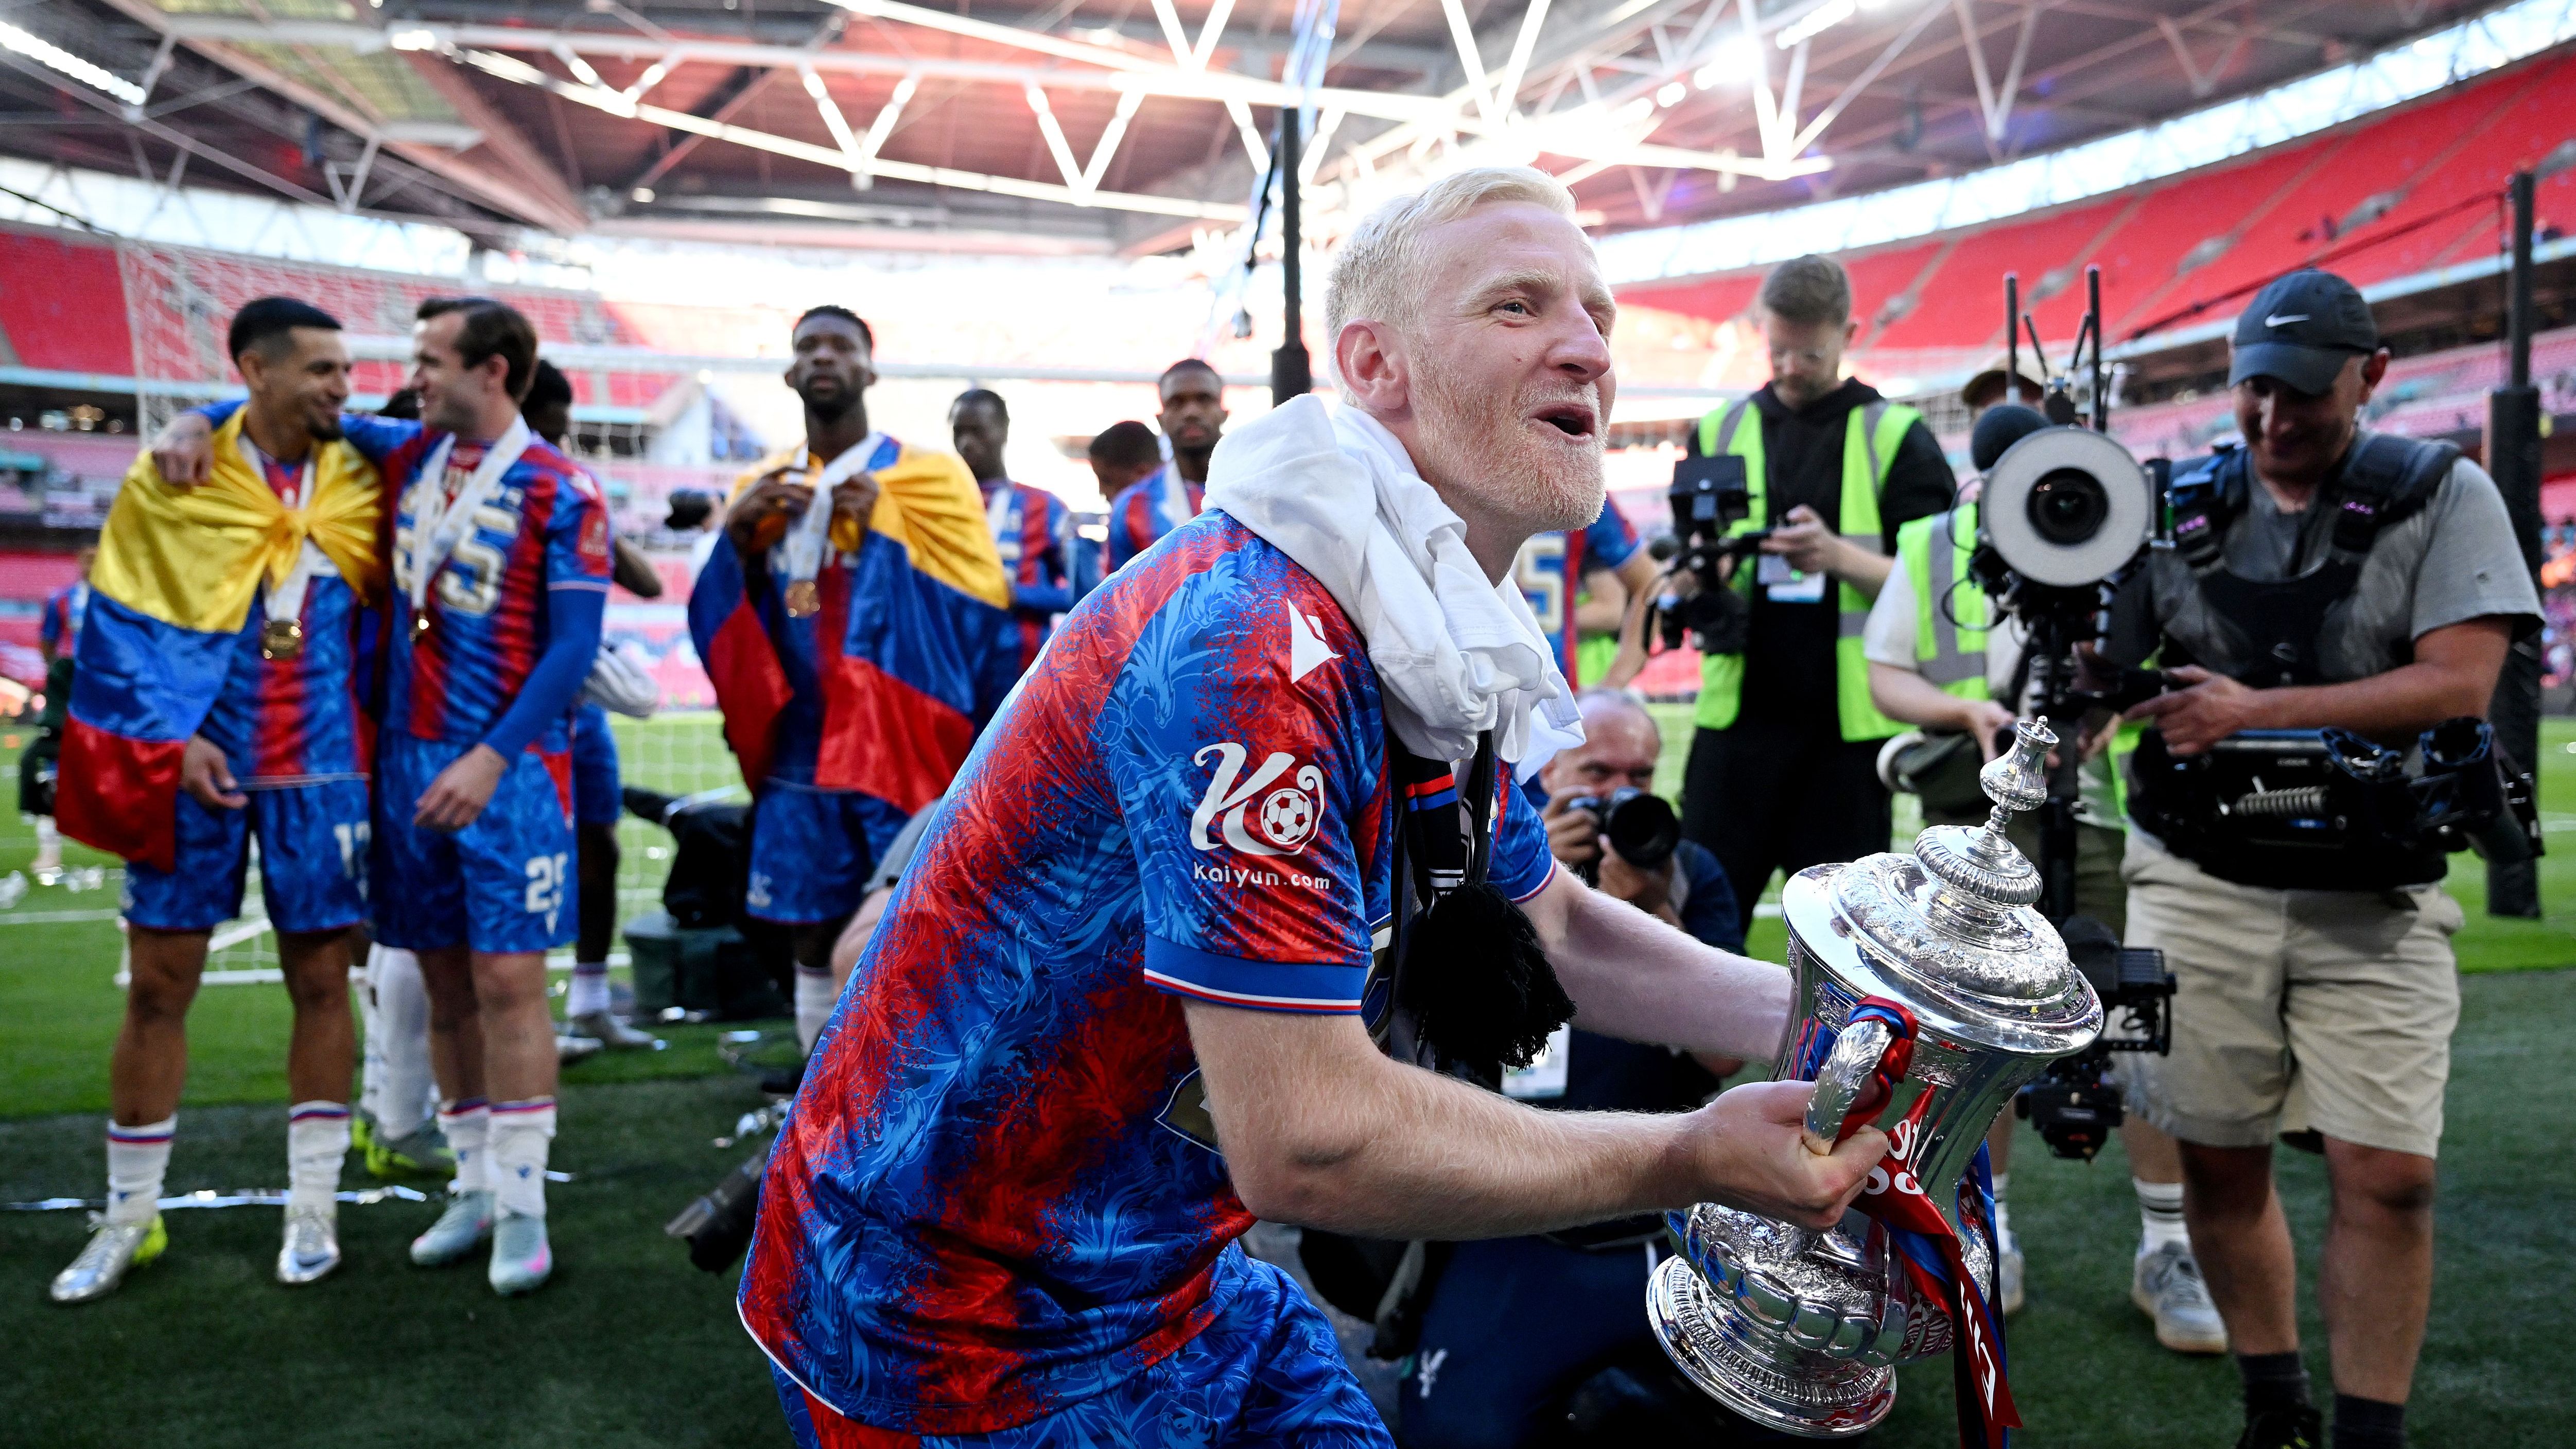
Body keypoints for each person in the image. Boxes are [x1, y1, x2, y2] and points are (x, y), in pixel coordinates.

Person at [739, 165, 1882, 1448]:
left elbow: (1556, 924)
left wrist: (1862, 1031)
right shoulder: (1255, 637)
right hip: (957, 1332)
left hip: (1164, 1278)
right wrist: (1692, 1152)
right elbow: (1311, 1141)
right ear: (1374, 365)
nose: (1584, 347)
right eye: (1517, 306)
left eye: (1596, 316)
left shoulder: (1420, 613)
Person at [2103, 270, 2539, 1449]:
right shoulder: (2163, 502)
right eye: (2252, 390)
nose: (2270, 420)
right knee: (2215, 1160)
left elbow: (2457, 677)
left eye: (2300, 394)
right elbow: (2102, 668)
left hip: (2377, 886)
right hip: (2194, 875)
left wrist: (2249, 711)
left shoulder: (2441, 493)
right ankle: (2271, 1403)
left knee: (2387, 1173)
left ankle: (2367, 1432)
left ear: (2370, 376)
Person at [149, 297, 617, 1294]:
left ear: (494, 373)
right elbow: (265, 407)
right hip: (404, 765)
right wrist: (189, 420)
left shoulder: (564, 487)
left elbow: (574, 648)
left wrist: (492, 757)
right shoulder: (402, 454)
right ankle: (476, 1185)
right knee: (442, 982)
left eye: (432, 361)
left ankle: (527, 1210)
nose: (412, 378)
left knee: (507, 985)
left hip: (514, 772)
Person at [1859, 370, 2221, 1348]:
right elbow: (1885, 672)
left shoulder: (2107, 529)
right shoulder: (1932, 541)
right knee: (1973, 1031)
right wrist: (1965, 714)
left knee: (2134, 1015)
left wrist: (2102, 719)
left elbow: (2158, 655)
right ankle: (1987, 1230)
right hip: (1964, 821)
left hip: (2094, 820)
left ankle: (2164, 1242)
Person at [48, 298, 383, 1302]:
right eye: (320, 370)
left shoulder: (365, 469)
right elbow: (120, 628)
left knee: (324, 984)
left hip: (322, 770)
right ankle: (128, 1218)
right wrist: (174, 740)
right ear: (256, 371)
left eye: (345, 370)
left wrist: (196, 408)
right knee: (158, 987)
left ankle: (312, 1206)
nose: (340, 386)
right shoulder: (179, 478)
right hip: (196, 767)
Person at [1398, 688, 1747, 1448]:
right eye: (1597, 770)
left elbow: (1723, 1056)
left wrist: (1655, 910)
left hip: (1657, 1211)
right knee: (1454, 1431)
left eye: (1641, 774)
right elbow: (1427, 1042)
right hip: (1519, 1205)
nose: (1621, 793)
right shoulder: (1469, 855)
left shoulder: (1687, 868)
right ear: (1544, 774)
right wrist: (1522, 887)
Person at [686, 305, 1016, 1087]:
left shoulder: (927, 476)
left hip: (898, 729)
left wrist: (887, 537)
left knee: (918, 910)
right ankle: (818, 1083)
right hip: (803, 732)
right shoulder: (766, 486)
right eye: (809, 348)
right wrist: (739, 540)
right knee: (807, 920)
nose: (823, 357)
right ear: (791, 373)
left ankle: (923, 1080)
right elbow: (795, 608)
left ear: (870, 370)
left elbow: (983, 605)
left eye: (841, 346)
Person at [1678, 254, 1958, 935]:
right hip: (1736, 728)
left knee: (1844, 942)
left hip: (1845, 742)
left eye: (1809, 351)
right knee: (1697, 922)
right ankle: (1694, 1049)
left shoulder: (1898, 438)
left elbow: (1941, 592)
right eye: (1777, 349)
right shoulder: (1717, 430)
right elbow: (1690, 570)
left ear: (1849, 332)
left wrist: (1836, 556)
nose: (1791, 366)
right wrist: (1701, 575)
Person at [523, 358, 665, 1055]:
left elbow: (643, 578)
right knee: (519, 855)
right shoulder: (494, 493)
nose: (559, 441)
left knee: (599, 847)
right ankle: (517, 1012)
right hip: (507, 702)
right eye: (548, 429)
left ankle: (589, 999)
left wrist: (585, 495)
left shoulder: (569, 491)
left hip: (579, 705)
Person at [952, 387, 1072, 673]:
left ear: (1003, 431)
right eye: (959, 432)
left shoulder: (1045, 507)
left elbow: (1082, 593)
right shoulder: (938, 505)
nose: (967, 443)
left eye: (978, 431)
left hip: (1021, 666)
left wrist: (1018, 595)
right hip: (951, 667)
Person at [1513, 504, 1656, 692]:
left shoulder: (1575, 491)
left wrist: (1615, 683)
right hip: (1485, 683)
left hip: (1551, 689)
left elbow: (1646, 586)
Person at [1102, 359, 1228, 572]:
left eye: (1204, 399)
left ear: (1223, 413)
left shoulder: (1258, 492)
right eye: (1177, 402)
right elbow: (1117, 598)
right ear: (1161, 419)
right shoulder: (1130, 506)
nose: (1191, 412)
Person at [23, 543, 92, 879]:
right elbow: (48, 641)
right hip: (70, 698)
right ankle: (50, 850)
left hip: (110, 697)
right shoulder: (62, 600)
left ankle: (130, 847)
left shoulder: (121, 598)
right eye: (88, 557)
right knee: (53, 767)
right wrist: (61, 675)